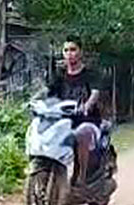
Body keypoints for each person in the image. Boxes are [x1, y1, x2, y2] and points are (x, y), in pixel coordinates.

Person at [47, 38, 103, 186]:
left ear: (80, 52)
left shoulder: (90, 74)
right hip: (63, 121)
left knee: (82, 133)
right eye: (66, 50)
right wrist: (33, 101)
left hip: (87, 120)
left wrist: (87, 105)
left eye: (73, 50)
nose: (69, 54)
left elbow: (95, 93)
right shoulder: (59, 75)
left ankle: (81, 176)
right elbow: (48, 93)